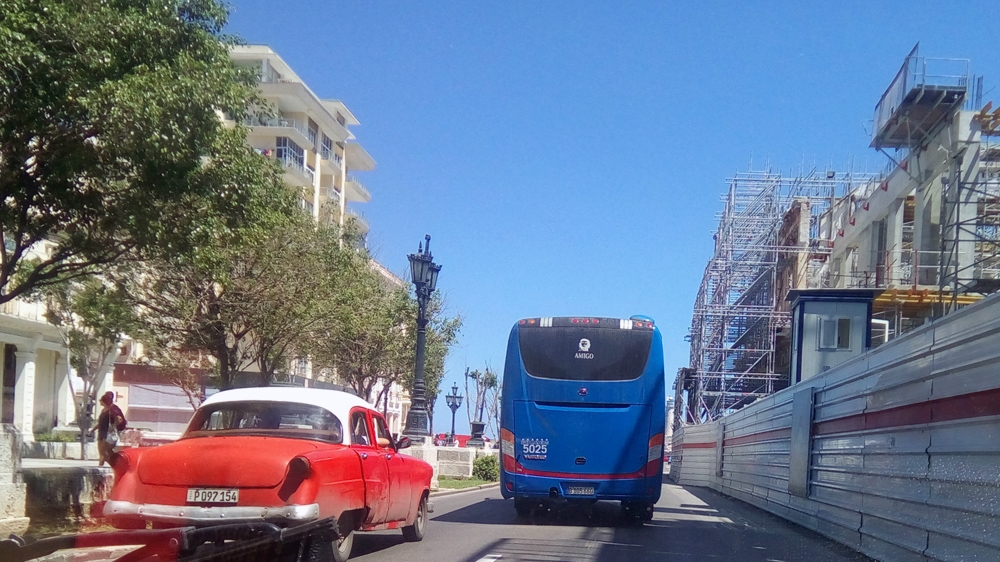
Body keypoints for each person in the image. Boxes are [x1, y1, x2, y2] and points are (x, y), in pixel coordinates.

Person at [90, 391, 126, 466]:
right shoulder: (104, 410)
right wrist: (93, 430)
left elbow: (120, 419)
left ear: (104, 401)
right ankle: (102, 466)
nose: (99, 401)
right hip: (101, 433)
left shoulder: (113, 409)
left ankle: (116, 464)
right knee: (102, 452)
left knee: (104, 451)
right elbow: (101, 422)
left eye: (100, 400)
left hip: (108, 434)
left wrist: (114, 425)